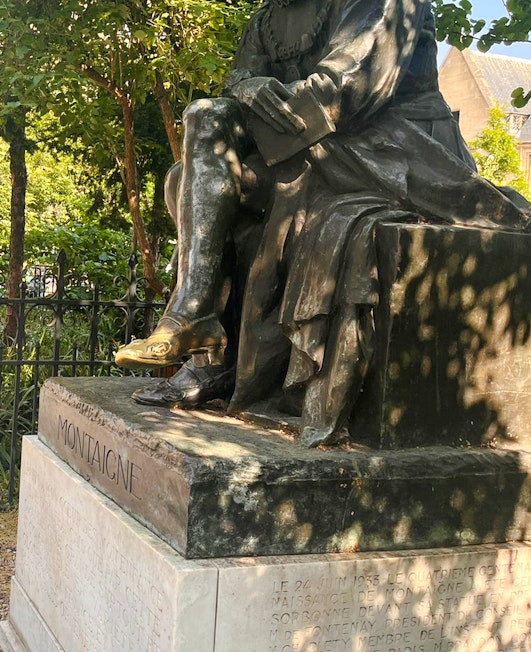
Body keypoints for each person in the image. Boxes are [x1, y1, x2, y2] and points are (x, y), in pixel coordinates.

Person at [115, 0, 531, 445]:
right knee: (192, 155)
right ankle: (201, 331)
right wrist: (250, 86)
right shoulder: (270, 17)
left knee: (208, 171)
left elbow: (345, 90)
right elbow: (238, 78)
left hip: (387, 148)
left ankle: (203, 336)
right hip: (305, 147)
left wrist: (260, 99)